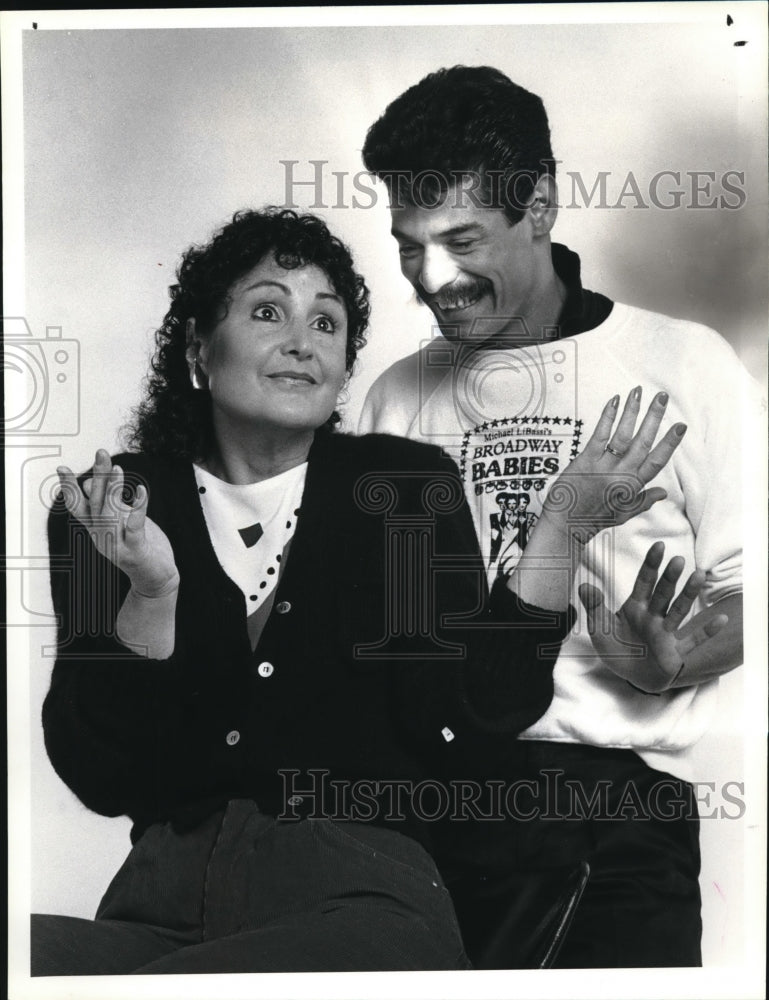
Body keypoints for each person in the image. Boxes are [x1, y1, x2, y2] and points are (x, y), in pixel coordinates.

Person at [32, 207, 709, 976]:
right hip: (157, 904)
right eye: (266, 312)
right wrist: (151, 594)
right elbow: (99, 768)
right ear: (198, 350)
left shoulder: (402, 490)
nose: (301, 341)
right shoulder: (115, 503)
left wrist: (558, 530)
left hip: (357, 902)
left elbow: (469, 714)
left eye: (326, 325)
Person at [359, 66, 753, 967]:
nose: (433, 277)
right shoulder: (393, 397)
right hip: (424, 816)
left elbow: (750, 586)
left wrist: (673, 661)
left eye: (460, 238)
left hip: (610, 819)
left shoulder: (683, 364)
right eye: (408, 245)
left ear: (538, 204)